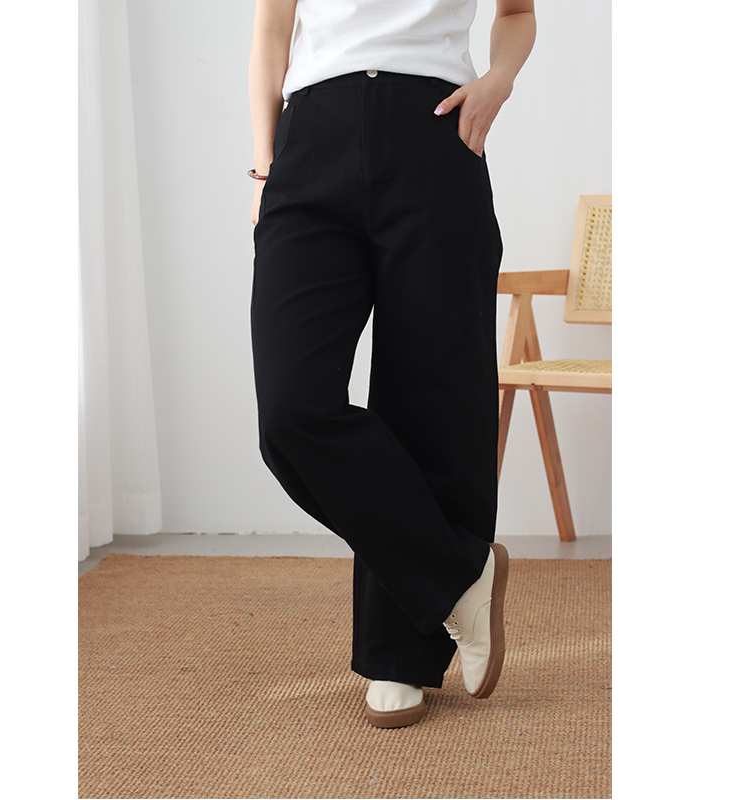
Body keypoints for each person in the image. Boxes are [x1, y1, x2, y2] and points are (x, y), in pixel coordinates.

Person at [248, 0, 536, 728]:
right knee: (292, 410)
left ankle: (398, 657)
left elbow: (517, 12)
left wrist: (499, 79)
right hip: (309, 141)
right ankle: (458, 576)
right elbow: (273, 28)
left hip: (434, 132)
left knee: (430, 397)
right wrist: (265, 164)